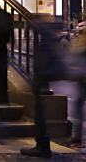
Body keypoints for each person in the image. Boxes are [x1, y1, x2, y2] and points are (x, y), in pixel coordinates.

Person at [21, 16, 65, 158]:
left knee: (40, 113)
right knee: (40, 112)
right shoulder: (47, 34)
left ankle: (42, 144)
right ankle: (42, 143)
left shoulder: (43, 36)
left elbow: (43, 59)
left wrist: (39, 79)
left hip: (42, 79)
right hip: (43, 78)